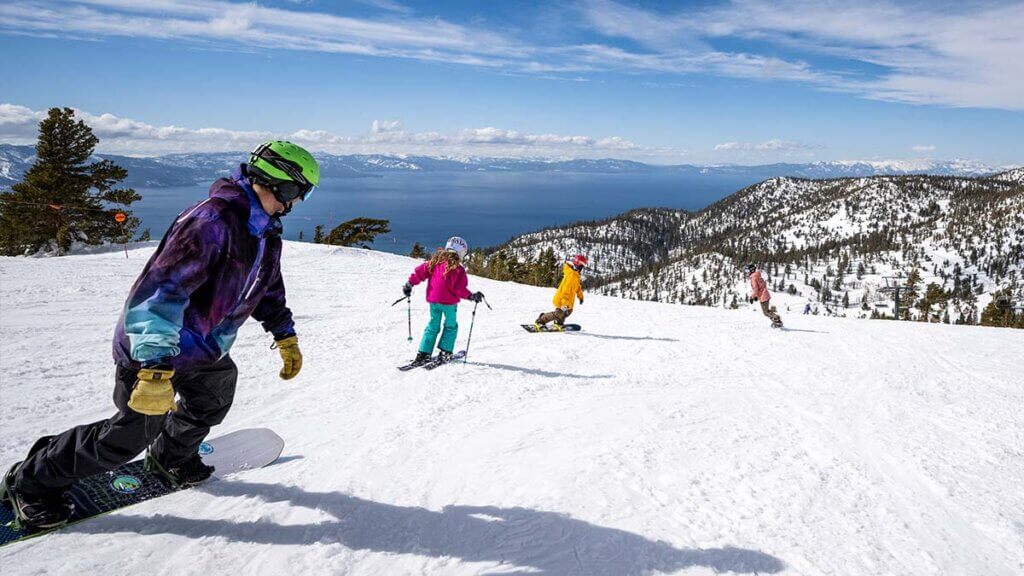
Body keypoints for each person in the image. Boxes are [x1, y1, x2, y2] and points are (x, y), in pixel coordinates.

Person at [1, 140, 319, 530]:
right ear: (283, 185)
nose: (299, 201)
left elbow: (266, 286)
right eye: (300, 191)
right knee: (128, 434)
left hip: (205, 347)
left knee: (213, 396)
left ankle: (172, 456)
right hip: (155, 349)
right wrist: (154, 367)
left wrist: (284, 334)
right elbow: (158, 294)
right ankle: (31, 481)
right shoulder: (212, 222)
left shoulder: (264, 231)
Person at [403, 236, 483, 366]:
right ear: (460, 252)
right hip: (449, 304)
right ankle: (445, 352)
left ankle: (423, 353)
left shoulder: (435, 262)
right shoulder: (458, 269)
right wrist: (471, 296)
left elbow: (420, 273)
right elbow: (460, 289)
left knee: (433, 326)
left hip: (434, 302)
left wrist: (409, 284)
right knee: (451, 326)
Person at [534, 254, 587, 331]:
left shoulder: (575, 275)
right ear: (577, 264)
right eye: (582, 265)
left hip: (569, 301)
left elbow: (577, 287)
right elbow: (565, 291)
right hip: (562, 299)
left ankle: (558, 322)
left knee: (568, 312)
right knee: (559, 313)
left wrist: (580, 296)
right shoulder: (571, 275)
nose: (582, 267)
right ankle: (541, 320)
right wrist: (564, 303)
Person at [745, 263, 783, 328]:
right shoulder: (757, 276)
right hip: (764, 294)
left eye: (747, 271)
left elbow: (756, 289)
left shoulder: (753, 278)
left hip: (763, 296)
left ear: (751, 270)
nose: (746, 273)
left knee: (766, 312)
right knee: (766, 311)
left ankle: (777, 320)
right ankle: (776, 321)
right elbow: (761, 286)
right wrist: (756, 296)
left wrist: (752, 297)